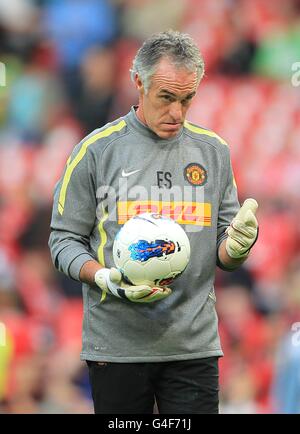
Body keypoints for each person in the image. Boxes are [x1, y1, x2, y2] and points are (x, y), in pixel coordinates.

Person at [48, 30, 259, 414]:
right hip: (116, 346)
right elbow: (63, 241)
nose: (177, 112)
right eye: (166, 97)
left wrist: (240, 244)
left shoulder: (214, 152)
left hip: (193, 345)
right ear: (138, 83)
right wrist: (104, 277)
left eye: (187, 99)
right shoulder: (95, 151)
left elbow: (223, 252)